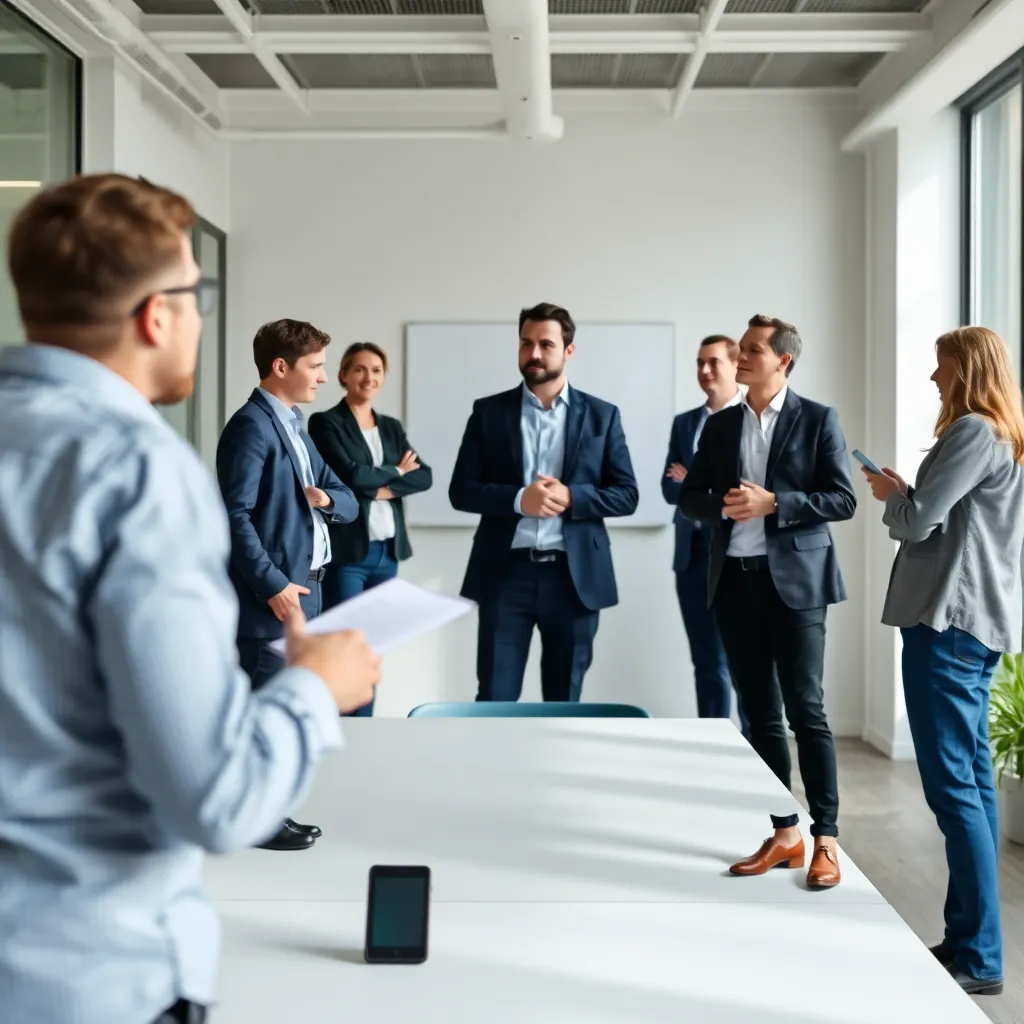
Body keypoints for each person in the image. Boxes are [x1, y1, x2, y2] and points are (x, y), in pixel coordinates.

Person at [0, 173, 380, 1024]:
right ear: (155, 315)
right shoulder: (133, 472)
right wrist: (317, 686)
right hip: (88, 977)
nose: (202, 322)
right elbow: (215, 797)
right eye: (197, 296)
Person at [863, 326, 1024, 997]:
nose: (933, 378)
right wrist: (910, 496)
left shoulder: (974, 433)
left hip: (948, 628)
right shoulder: (1001, 436)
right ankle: (967, 942)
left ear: (966, 369)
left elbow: (918, 521)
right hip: (973, 627)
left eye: (941, 366)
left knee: (954, 790)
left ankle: (980, 954)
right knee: (974, 789)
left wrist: (890, 498)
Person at [679, 314, 855, 889]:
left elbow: (842, 499)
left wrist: (775, 502)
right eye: (742, 349)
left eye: (752, 350)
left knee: (808, 710)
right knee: (759, 717)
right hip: (734, 583)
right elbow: (690, 497)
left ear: (783, 361)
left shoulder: (818, 419)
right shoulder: (723, 425)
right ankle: (785, 834)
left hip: (798, 587)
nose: (742, 357)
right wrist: (724, 507)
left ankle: (825, 839)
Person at [449, 303, 638, 703]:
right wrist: (520, 499)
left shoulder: (602, 416)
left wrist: (572, 496)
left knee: (564, 701)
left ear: (569, 351)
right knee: (495, 699)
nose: (533, 353)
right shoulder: (488, 412)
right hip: (505, 575)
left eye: (546, 344)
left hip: (575, 579)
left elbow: (627, 494)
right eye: (526, 343)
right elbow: (461, 490)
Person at [217, 319, 359, 851]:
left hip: (309, 591)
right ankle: (255, 817)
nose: (325, 378)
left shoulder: (295, 425)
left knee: (288, 702)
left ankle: (271, 809)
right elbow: (233, 517)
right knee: (262, 705)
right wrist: (273, 584)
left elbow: (344, 497)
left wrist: (326, 500)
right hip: (273, 598)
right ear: (281, 367)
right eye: (317, 367)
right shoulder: (252, 427)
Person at [308, 342, 433, 716]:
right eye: (360, 369)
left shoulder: (391, 427)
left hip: (387, 554)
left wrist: (376, 487)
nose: (369, 377)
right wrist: (396, 473)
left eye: (377, 370)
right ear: (343, 375)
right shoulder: (326, 423)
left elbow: (424, 476)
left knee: (373, 651)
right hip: (350, 554)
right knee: (346, 648)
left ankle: (366, 730)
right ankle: (342, 729)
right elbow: (350, 475)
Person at [662, 334, 747, 732]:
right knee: (706, 661)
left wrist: (695, 485)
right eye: (699, 363)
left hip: (739, 555)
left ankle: (758, 751)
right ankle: (712, 744)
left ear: (735, 367)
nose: (705, 370)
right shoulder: (685, 423)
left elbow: (745, 489)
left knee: (746, 660)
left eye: (713, 362)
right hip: (692, 557)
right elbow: (668, 488)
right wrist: (702, 490)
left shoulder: (751, 419)